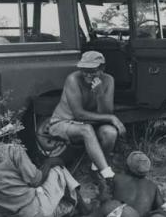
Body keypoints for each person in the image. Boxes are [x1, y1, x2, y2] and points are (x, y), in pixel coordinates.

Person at [0, 126, 90, 217]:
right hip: (36, 215)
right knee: (58, 169)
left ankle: (69, 208)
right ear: (6, 134)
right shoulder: (13, 150)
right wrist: (49, 163)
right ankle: (83, 207)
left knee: (48, 202)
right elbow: (36, 181)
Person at [52, 151, 164, 217]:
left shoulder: (118, 177)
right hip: (131, 216)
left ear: (127, 167)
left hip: (113, 205)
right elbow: (161, 209)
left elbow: (104, 197)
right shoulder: (153, 187)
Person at [46, 50, 126, 180]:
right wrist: (112, 118)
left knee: (110, 133)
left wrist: (100, 94)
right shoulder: (73, 79)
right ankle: (107, 175)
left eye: (92, 70)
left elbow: (107, 112)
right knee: (86, 130)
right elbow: (79, 114)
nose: (87, 74)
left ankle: (96, 168)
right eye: (84, 70)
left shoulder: (109, 80)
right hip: (62, 123)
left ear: (102, 69)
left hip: (90, 123)